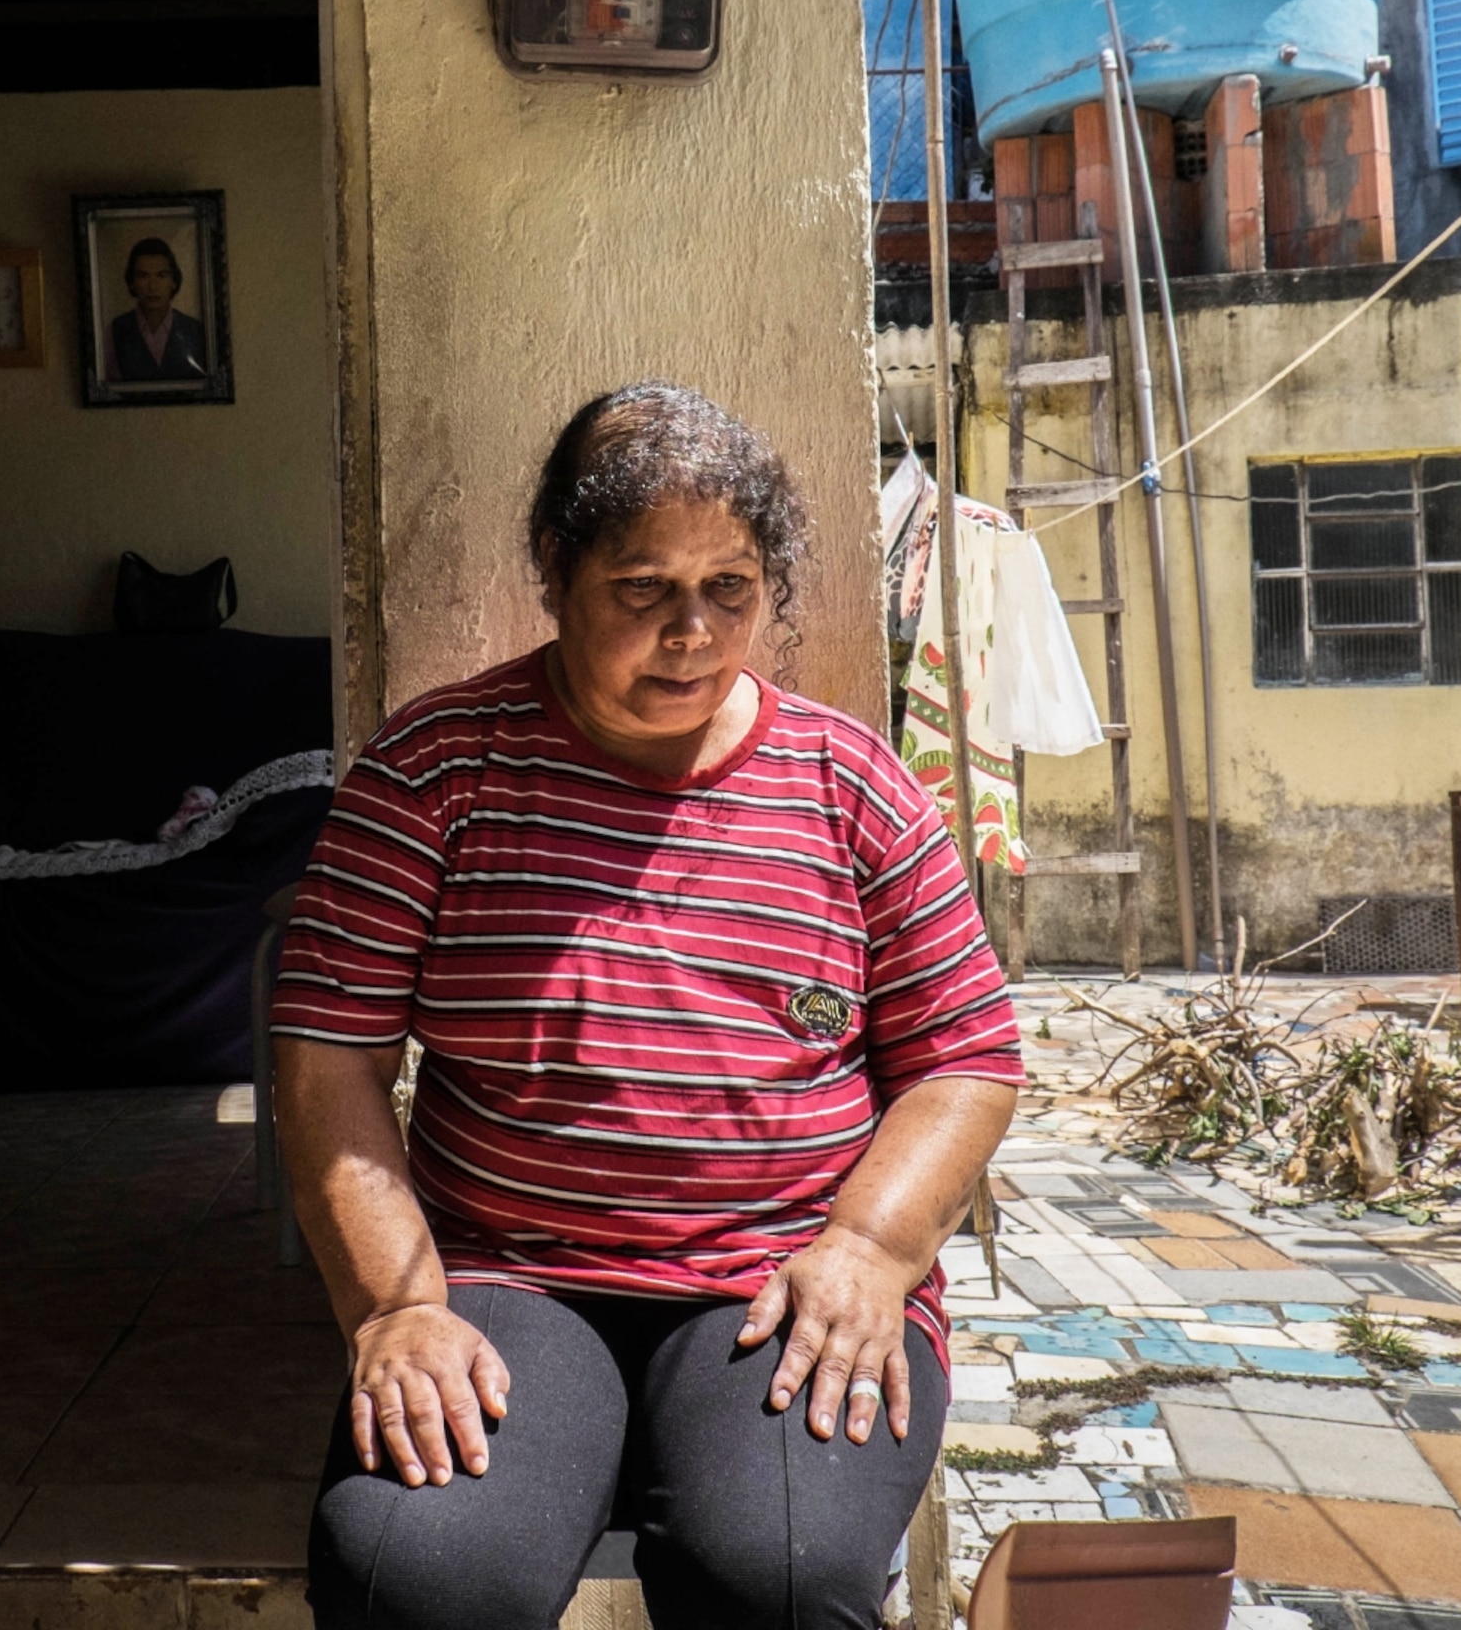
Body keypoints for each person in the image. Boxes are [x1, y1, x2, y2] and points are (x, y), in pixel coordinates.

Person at [273, 384, 1026, 1630]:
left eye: (730, 585)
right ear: (559, 576)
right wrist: (395, 1307)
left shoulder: (851, 786)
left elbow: (967, 1052)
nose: (691, 628)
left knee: (779, 1573)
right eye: (642, 587)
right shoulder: (435, 774)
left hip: (780, 1273)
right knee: (409, 1569)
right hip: (507, 1273)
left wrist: (875, 1248)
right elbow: (328, 1061)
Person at [107, 235, 209, 382]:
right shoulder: (115, 331)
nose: (153, 287)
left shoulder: (196, 330)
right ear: (132, 282)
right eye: (143, 276)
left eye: (161, 276)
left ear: (174, 282)